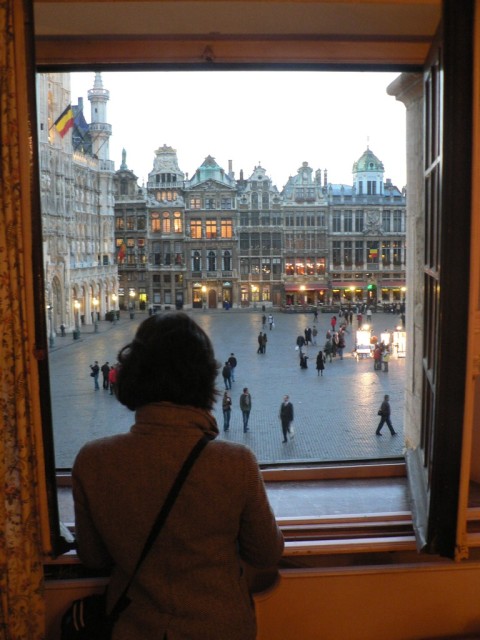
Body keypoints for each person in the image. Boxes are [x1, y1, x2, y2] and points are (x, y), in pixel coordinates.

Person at [72, 312, 283, 640]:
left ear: (132, 375)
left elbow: (93, 556)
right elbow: (267, 553)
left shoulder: (92, 461)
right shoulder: (235, 463)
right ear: (204, 377)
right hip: (220, 628)